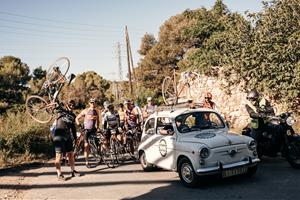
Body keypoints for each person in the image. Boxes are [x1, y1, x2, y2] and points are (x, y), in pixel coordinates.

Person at [53, 100, 81, 181]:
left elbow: (73, 128)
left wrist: (75, 139)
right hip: (59, 135)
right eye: (70, 104)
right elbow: (56, 104)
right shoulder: (62, 111)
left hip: (68, 136)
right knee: (58, 156)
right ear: (67, 105)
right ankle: (59, 174)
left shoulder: (73, 115)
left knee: (71, 154)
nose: (72, 105)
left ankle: (73, 171)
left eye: (73, 104)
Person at [75, 98, 100, 168]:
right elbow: (77, 118)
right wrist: (79, 125)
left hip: (93, 130)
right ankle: (87, 161)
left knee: (98, 142)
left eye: (94, 102)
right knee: (86, 146)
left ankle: (99, 155)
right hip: (86, 130)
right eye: (91, 102)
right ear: (89, 103)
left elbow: (98, 121)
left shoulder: (96, 111)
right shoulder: (86, 111)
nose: (93, 104)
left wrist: (98, 127)